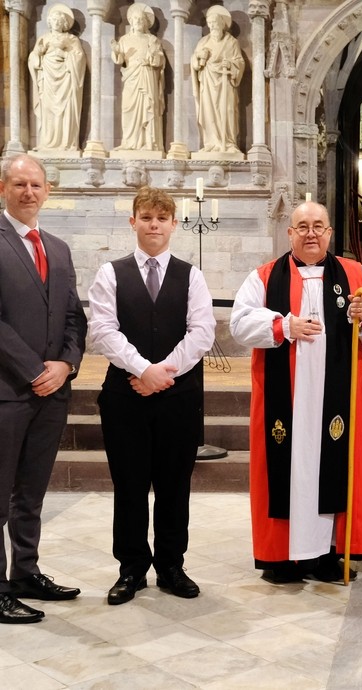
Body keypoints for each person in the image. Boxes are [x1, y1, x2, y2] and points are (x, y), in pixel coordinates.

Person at [230, 201, 362, 583]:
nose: (311, 233)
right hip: (284, 399)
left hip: (335, 400)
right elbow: (239, 323)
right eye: (302, 226)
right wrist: (285, 326)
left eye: (319, 226)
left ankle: (326, 554)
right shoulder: (264, 277)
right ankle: (281, 557)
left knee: (330, 467)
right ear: (290, 234)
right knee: (288, 467)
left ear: (330, 232)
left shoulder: (356, 275)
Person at [88, 187, 215, 605]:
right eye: (146, 217)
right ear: (133, 222)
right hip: (126, 396)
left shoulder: (191, 275)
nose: (154, 224)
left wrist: (163, 374)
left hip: (178, 398)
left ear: (175, 224)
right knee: (129, 486)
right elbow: (103, 331)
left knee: (174, 485)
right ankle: (131, 570)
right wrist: (143, 369)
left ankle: (171, 566)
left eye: (162, 218)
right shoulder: (111, 273)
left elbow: (202, 333)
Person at [0, 154, 87, 624]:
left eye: (35, 184)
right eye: (19, 183)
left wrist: (67, 364)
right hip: (8, 390)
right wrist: (36, 368)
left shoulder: (57, 247)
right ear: (3, 188)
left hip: (52, 392)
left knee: (31, 492)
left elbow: (74, 315)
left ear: (47, 191)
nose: (28, 191)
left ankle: (26, 573)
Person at [27, 4, 86, 152]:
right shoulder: (43, 38)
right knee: (47, 109)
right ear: (49, 22)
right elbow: (33, 58)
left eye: (59, 21)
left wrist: (65, 53)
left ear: (65, 24)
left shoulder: (72, 39)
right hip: (47, 77)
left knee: (67, 110)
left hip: (66, 79)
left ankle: (67, 143)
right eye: (54, 21)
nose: (56, 23)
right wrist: (38, 54)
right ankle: (46, 143)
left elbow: (80, 58)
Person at [111, 3, 166, 153]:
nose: (138, 22)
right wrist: (116, 52)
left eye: (141, 19)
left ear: (147, 23)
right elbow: (119, 60)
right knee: (128, 108)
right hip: (130, 78)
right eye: (135, 19)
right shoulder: (124, 40)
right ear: (130, 21)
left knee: (147, 107)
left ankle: (149, 143)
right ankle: (129, 142)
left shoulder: (152, 40)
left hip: (147, 76)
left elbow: (160, 60)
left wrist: (152, 58)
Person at [191, 5, 245, 155]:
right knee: (208, 112)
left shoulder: (231, 42)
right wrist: (197, 59)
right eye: (210, 22)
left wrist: (231, 65)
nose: (212, 25)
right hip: (208, 83)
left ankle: (228, 142)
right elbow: (194, 63)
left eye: (215, 22)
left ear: (222, 23)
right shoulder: (203, 42)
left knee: (227, 111)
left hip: (225, 83)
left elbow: (240, 62)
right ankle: (211, 142)